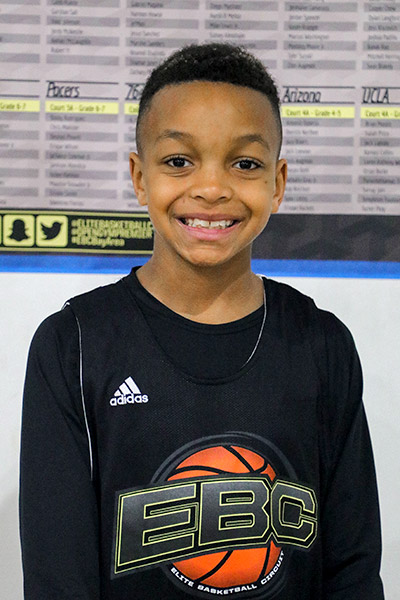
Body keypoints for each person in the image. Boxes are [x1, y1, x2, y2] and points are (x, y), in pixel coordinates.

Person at [20, 43, 384, 600]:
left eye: (245, 164)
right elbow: (57, 580)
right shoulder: (74, 345)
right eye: (178, 161)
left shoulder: (322, 344)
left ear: (278, 183)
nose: (212, 189)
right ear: (140, 177)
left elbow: (353, 570)